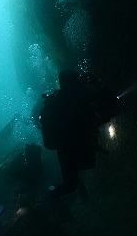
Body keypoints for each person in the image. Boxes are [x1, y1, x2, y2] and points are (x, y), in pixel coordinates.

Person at [40, 69, 120, 201]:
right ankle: (52, 196)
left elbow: (113, 105)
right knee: (72, 183)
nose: (81, 83)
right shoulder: (73, 99)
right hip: (70, 146)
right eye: (77, 81)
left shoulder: (71, 98)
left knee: (74, 180)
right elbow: (113, 105)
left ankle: (55, 193)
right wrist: (99, 86)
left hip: (71, 145)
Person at [0, 143, 44, 207]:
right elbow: (11, 169)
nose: (25, 154)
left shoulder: (37, 164)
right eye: (25, 152)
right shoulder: (21, 156)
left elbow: (37, 178)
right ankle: (3, 165)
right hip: (18, 176)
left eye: (26, 152)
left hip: (26, 180)